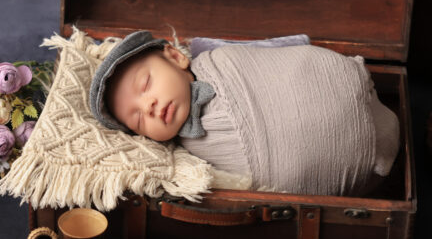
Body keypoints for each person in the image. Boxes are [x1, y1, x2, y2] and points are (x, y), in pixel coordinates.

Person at [89, 30, 399, 197]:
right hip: (356, 170)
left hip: (336, 85)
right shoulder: (184, 162)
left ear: (174, 56)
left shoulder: (219, 60)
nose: (149, 106)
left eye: (146, 84)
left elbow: (277, 63)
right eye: (138, 119)